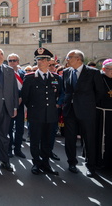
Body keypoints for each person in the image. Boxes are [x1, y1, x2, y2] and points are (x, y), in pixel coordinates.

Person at [63, 49, 104, 177]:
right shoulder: (66, 72)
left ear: (78, 59)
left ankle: (90, 166)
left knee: (89, 139)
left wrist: (88, 104)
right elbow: (66, 91)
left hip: (87, 111)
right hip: (70, 111)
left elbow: (100, 92)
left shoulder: (93, 72)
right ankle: (71, 163)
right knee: (70, 139)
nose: (67, 60)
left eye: (69, 57)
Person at [21, 48, 62, 175]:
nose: (40, 61)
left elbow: (60, 94)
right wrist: (34, 108)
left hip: (51, 115)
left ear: (49, 61)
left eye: (43, 59)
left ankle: (46, 163)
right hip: (36, 115)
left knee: (48, 141)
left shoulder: (56, 78)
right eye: (38, 59)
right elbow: (25, 97)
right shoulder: (30, 77)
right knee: (35, 140)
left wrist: (56, 105)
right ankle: (36, 164)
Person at [7, 53, 26, 159]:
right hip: (9, 104)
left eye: (14, 60)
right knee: (8, 129)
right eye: (10, 60)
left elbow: (26, 88)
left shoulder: (23, 73)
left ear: (18, 62)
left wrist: (21, 98)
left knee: (20, 128)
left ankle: (17, 149)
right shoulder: (4, 73)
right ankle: (9, 149)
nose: (12, 62)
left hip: (20, 104)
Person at [96, 59, 112, 169]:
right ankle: (98, 161)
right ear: (103, 69)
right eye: (109, 69)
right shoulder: (99, 79)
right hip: (100, 112)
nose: (111, 71)